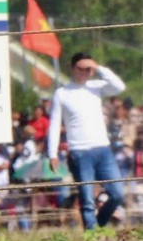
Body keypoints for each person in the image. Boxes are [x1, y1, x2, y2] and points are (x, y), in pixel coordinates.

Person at [47, 51, 126, 229]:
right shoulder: (62, 93)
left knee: (118, 194)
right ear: (72, 68)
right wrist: (52, 154)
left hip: (103, 149)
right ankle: (92, 235)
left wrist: (97, 67)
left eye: (88, 69)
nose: (84, 73)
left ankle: (98, 224)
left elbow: (119, 86)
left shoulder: (96, 86)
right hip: (80, 152)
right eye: (81, 69)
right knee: (87, 198)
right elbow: (54, 124)